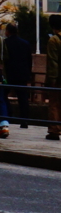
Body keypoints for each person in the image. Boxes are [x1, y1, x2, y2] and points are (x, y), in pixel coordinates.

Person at [2, 22, 34, 128]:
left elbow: (3, 59)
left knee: (3, 95)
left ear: (8, 31)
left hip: (9, 74)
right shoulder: (25, 43)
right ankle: (24, 120)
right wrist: (28, 73)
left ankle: (8, 113)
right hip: (22, 74)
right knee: (23, 98)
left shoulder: (5, 43)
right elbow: (29, 60)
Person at [45, 13, 61, 141]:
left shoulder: (54, 40)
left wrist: (52, 79)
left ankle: (54, 130)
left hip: (58, 78)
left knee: (54, 104)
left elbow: (53, 62)